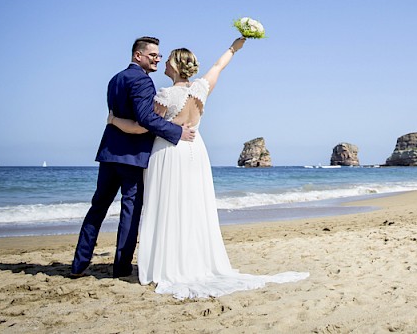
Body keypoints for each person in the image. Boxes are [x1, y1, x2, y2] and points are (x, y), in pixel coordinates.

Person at [108, 37, 309, 299]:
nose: (164, 63)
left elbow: (144, 126)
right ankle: (192, 260)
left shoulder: (165, 96)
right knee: (192, 206)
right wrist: (236, 46)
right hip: (196, 151)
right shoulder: (202, 88)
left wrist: (114, 121)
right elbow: (219, 66)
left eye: (168, 60)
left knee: (168, 207)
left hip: (169, 152)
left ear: (177, 67)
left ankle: (169, 264)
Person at [71, 37, 196, 278]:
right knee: (130, 211)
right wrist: (177, 132)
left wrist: (115, 122)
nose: (157, 59)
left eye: (159, 56)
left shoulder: (115, 79)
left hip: (109, 153)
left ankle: (79, 263)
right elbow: (145, 119)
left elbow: (116, 114)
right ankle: (121, 268)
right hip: (133, 157)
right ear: (138, 55)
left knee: (97, 208)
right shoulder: (142, 81)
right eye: (153, 55)